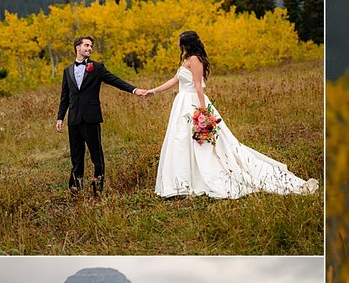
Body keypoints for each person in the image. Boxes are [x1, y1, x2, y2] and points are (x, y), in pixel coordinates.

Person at [141, 31, 319, 197]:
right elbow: (175, 79)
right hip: (181, 103)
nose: (177, 45)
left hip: (193, 102)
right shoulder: (187, 58)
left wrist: (203, 113)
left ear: (187, 44)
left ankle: (201, 177)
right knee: (180, 140)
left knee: (202, 143)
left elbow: (198, 86)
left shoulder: (195, 60)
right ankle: (181, 181)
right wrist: (153, 91)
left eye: (180, 42)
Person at [55, 37, 145, 198]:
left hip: (91, 118)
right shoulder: (67, 71)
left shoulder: (96, 68)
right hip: (74, 119)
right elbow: (65, 97)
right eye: (86, 45)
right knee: (76, 157)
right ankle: (75, 189)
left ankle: (97, 189)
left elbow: (115, 80)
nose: (90, 48)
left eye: (91, 46)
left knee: (96, 156)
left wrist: (134, 90)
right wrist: (60, 117)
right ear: (78, 47)